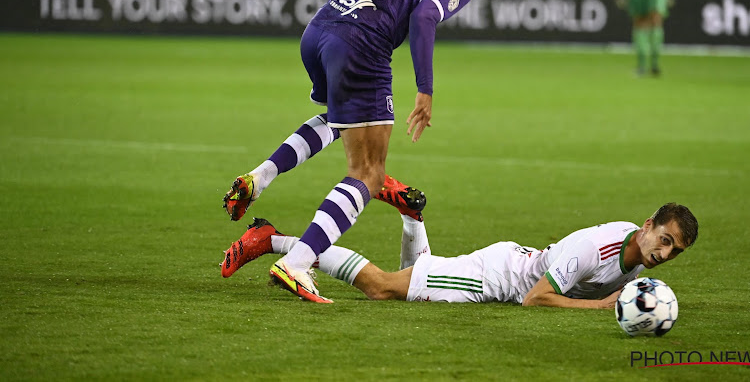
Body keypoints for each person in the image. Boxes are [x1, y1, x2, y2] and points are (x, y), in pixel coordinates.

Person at [214, 0, 515, 302]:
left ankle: (261, 177)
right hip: (362, 47)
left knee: (342, 121)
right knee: (369, 173)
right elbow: (424, 15)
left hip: (320, 31)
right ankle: (297, 262)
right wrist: (425, 89)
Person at [221, 198, 698, 306]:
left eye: (673, 250)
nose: (665, 251)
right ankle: (274, 241)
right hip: (493, 278)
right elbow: (535, 298)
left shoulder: (635, 260)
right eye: (664, 238)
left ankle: (412, 214)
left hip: (503, 265)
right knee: (383, 288)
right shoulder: (596, 247)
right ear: (648, 225)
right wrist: (602, 306)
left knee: (412, 275)